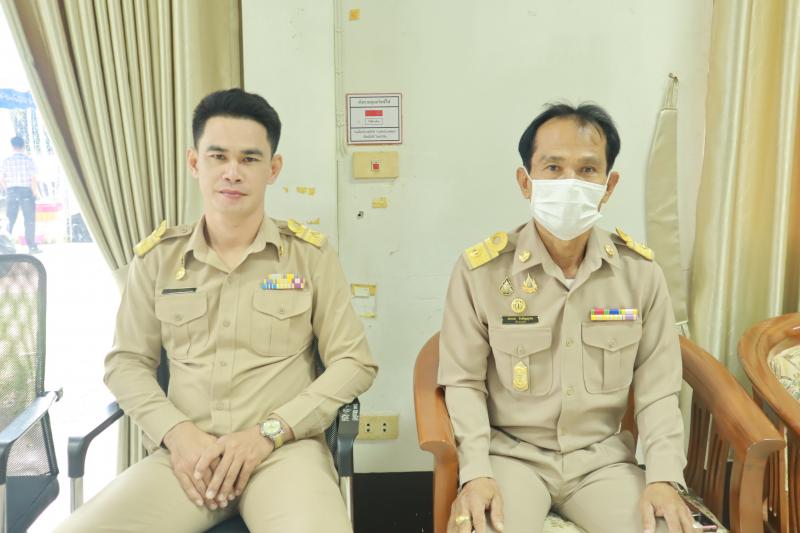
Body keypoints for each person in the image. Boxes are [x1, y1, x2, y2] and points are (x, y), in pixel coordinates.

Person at [57, 89, 377, 532]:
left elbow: (354, 361)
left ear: (273, 169)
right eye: (218, 156)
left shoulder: (310, 258)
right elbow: (125, 363)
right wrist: (177, 434)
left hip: (283, 456)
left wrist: (271, 432)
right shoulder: (157, 260)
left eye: (249, 159)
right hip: (187, 459)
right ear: (195, 163)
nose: (232, 172)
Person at [439, 103, 695, 533]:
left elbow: (658, 391)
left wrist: (663, 478)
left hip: (602, 461)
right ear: (526, 182)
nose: (569, 183)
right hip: (511, 458)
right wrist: (476, 472)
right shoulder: (481, 272)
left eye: (587, 170)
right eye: (553, 167)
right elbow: (463, 382)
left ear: (609, 186)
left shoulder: (639, 273)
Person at [1, 136, 40, 253]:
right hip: (26, 192)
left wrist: (7, 189)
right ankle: (32, 246)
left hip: (12, 191)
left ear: (12, 146)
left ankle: (4, 246)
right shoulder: (28, 160)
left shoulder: (6, 160)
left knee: (10, 220)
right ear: (23, 146)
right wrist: (35, 192)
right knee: (29, 220)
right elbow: (33, 178)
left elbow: (1, 178)